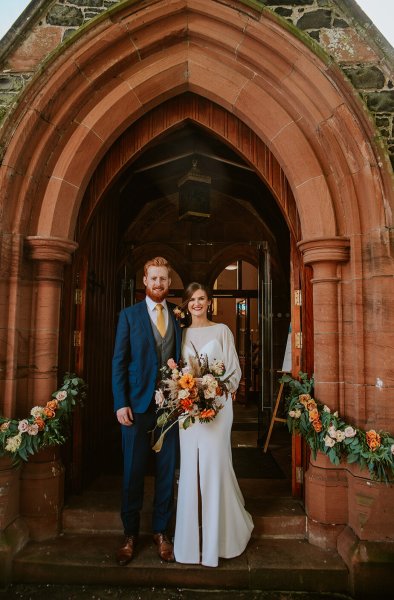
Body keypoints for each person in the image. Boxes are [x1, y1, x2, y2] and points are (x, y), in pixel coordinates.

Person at [174, 282, 254, 567]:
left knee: (215, 467)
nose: (197, 303)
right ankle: (189, 543)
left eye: (202, 299)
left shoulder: (222, 331)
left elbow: (233, 370)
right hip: (188, 410)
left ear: (209, 302)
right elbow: (176, 372)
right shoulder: (180, 334)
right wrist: (184, 391)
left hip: (218, 408)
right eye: (192, 299)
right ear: (186, 304)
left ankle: (220, 540)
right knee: (191, 471)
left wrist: (215, 387)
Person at [112, 257, 182, 565]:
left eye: (163, 279)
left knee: (167, 472)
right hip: (136, 407)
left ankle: (161, 533)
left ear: (169, 283)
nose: (158, 284)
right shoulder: (129, 316)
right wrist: (120, 402)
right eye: (153, 278)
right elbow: (119, 362)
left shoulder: (178, 320)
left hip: (170, 407)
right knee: (133, 471)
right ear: (145, 281)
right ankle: (130, 535)